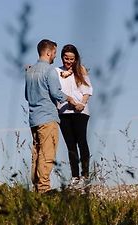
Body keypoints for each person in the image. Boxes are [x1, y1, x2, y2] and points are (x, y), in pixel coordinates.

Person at [25, 39, 84, 193]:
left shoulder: (30, 71)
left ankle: (36, 186)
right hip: (47, 117)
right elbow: (56, 93)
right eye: (55, 53)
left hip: (33, 118)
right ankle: (44, 188)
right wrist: (70, 99)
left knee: (36, 153)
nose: (55, 57)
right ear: (49, 52)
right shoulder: (50, 70)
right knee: (47, 153)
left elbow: (27, 95)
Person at [56, 44, 93, 188]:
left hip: (80, 111)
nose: (68, 61)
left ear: (75, 58)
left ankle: (85, 175)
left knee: (81, 142)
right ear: (62, 57)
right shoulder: (57, 71)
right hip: (64, 112)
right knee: (70, 145)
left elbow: (87, 90)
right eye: (66, 58)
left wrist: (81, 104)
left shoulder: (80, 70)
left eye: (71, 58)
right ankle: (75, 176)